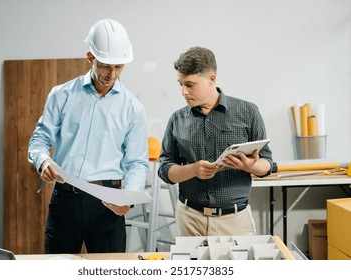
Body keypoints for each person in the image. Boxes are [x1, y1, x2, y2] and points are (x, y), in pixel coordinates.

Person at [28, 18, 149, 254]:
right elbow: (39, 141)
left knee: (109, 273)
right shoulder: (61, 95)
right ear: (90, 57)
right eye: (105, 65)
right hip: (65, 201)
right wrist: (42, 160)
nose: (112, 74)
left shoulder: (133, 108)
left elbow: (136, 162)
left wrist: (128, 198)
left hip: (107, 206)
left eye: (119, 66)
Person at [158, 46, 272, 237]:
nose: (184, 92)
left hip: (235, 222)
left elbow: (267, 165)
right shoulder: (177, 120)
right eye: (180, 84)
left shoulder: (248, 112)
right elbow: (165, 170)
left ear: (212, 79)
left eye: (190, 84)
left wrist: (251, 166)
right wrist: (193, 170)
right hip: (190, 220)